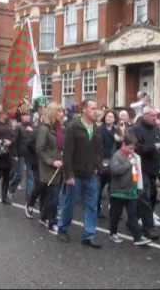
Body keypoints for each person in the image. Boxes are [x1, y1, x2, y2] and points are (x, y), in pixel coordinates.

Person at [57, 100, 103, 249]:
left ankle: (89, 235)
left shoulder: (96, 128)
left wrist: (98, 166)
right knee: (69, 204)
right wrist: (68, 175)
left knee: (92, 205)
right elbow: (67, 153)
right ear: (84, 109)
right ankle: (62, 229)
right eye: (92, 108)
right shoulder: (73, 127)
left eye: (96, 108)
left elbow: (98, 150)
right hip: (75, 174)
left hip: (91, 174)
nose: (95, 111)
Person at [25, 102, 63, 235]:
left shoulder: (59, 128)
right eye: (59, 112)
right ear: (53, 113)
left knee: (49, 194)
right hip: (48, 166)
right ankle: (51, 223)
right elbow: (39, 149)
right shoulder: (44, 129)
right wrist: (52, 162)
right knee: (53, 196)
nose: (62, 114)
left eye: (62, 111)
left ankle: (44, 217)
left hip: (59, 166)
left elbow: (60, 146)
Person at [108, 133, 152, 246]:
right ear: (123, 145)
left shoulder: (134, 156)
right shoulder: (117, 155)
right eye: (130, 148)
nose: (132, 150)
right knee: (116, 214)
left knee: (132, 215)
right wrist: (129, 163)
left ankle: (137, 237)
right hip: (118, 192)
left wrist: (139, 187)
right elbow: (115, 170)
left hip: (131, 191)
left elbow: (137, 173)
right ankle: (113, 233)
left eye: (133, 148)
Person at [129, 106, 160, 240]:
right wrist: (152, 148)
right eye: (153, 116)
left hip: (154, 168)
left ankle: (133, 219)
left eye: (156, 116)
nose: (155, 118)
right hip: (140, 167)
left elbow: (159, 145)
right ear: (145, 115)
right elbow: (134, 148)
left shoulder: (156, 129)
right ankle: (148, 228)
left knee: (153, 196)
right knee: (145, 197)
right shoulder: (135, 129)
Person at [98, 110, 121, 218]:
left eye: (111, 117)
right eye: (107, 116)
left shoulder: (117, 130)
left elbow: (121, 146)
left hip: (114, 161)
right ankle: (97, 209)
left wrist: (119, 140)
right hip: (102, 161)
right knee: (99, 187)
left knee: (113, 187)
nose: (109, 118)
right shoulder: (99, 129)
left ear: (114, 119)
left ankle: (113, 210)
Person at [9, 111, 34, 196]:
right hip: (20, 154)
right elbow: (14, 141)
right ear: (22, 117)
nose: (27, 117)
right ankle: (11, 189)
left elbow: (34, 140)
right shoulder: (19, 127)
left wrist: (32, 132)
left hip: (30, 154)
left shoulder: (32, 127)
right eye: (25, 115)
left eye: (28, 115)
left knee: (30, 175)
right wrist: (15, 154)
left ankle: (30, 195)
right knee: (19, 174)